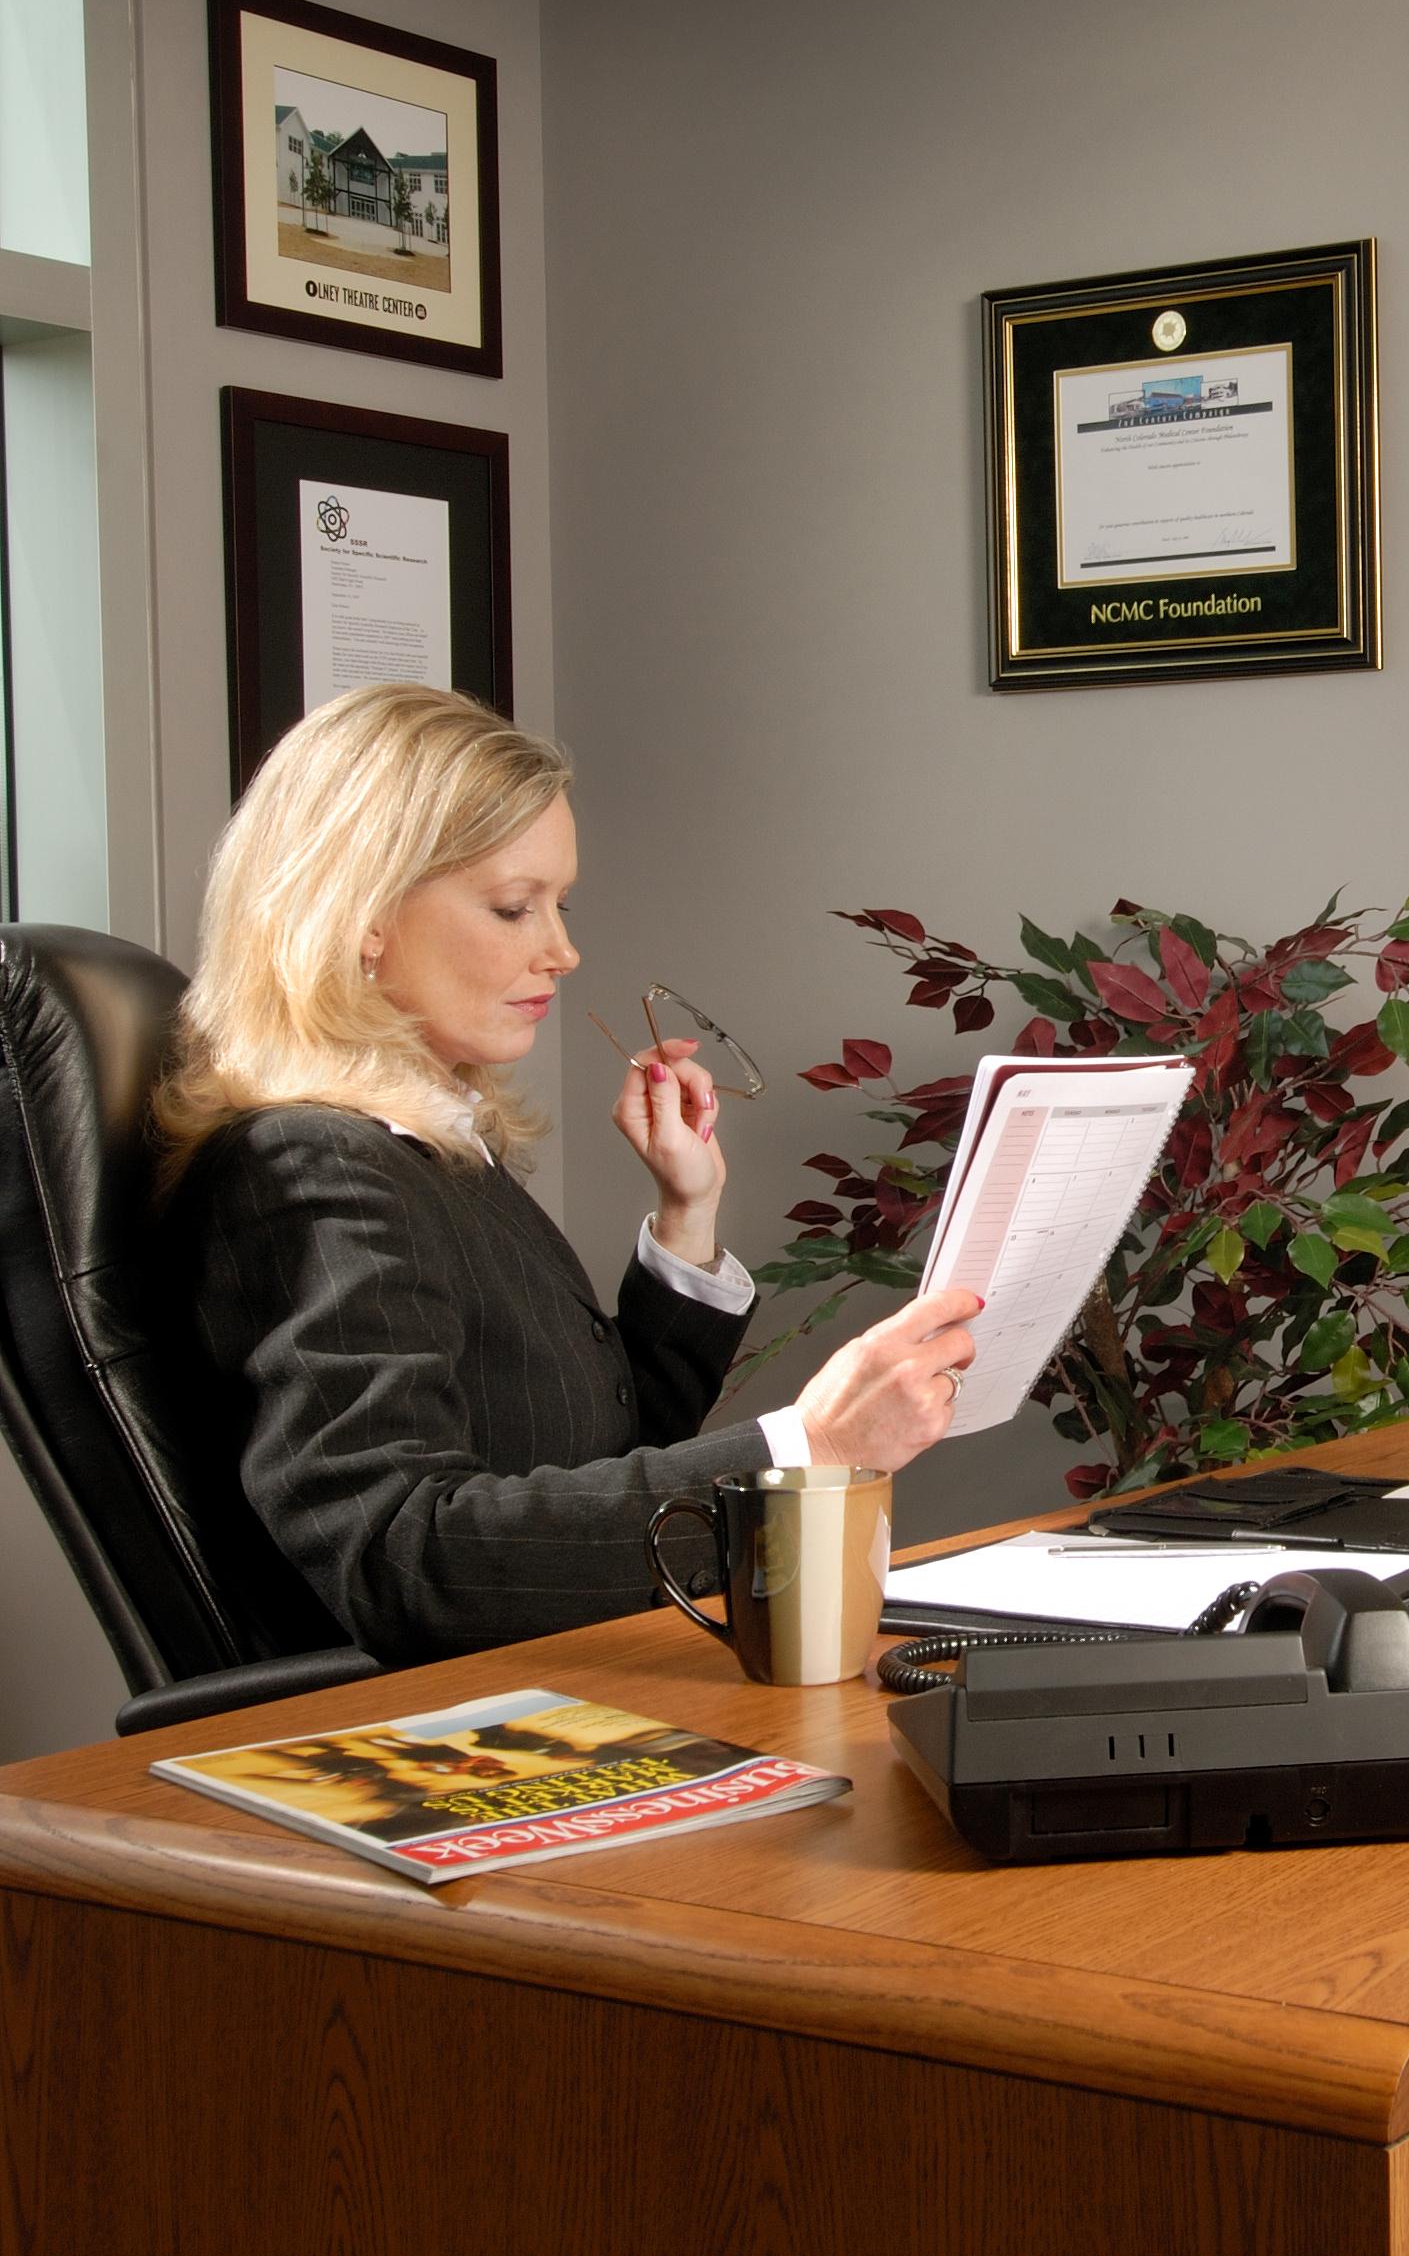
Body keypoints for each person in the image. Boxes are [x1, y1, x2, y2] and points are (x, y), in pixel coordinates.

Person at [157, 683, 980, 1664]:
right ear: (362, 916)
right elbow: (402, 1555)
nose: (563, 950)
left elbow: (598, 1452)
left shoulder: (423, 1149)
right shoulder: (308, 1171)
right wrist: (807, 1449)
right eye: (514, 906)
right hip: (443, 1727)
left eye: (561, 903)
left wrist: (687, 1209)